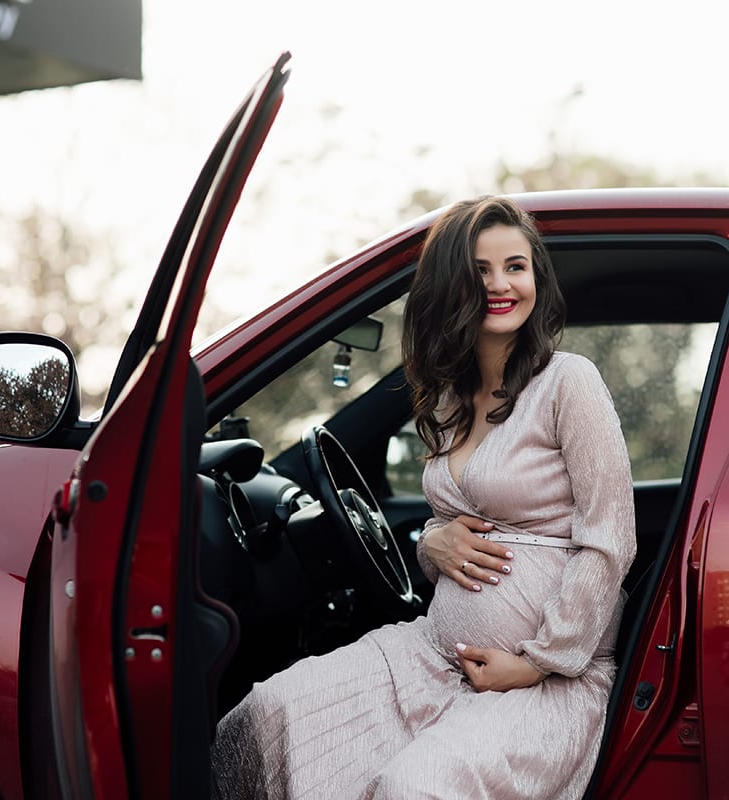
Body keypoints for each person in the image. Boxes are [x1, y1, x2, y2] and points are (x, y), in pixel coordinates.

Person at [211, 196, 636, 799]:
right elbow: (447, 529)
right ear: (450, 285)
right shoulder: (445, 399)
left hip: (547, 680)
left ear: (536, 278)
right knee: (268, 715)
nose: (501, 285)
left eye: (515, 267)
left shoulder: (569, 381)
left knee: (415, 787)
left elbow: (609, 539)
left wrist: (538, 661)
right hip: (433, 655)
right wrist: (431, 543)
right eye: (480, 271)